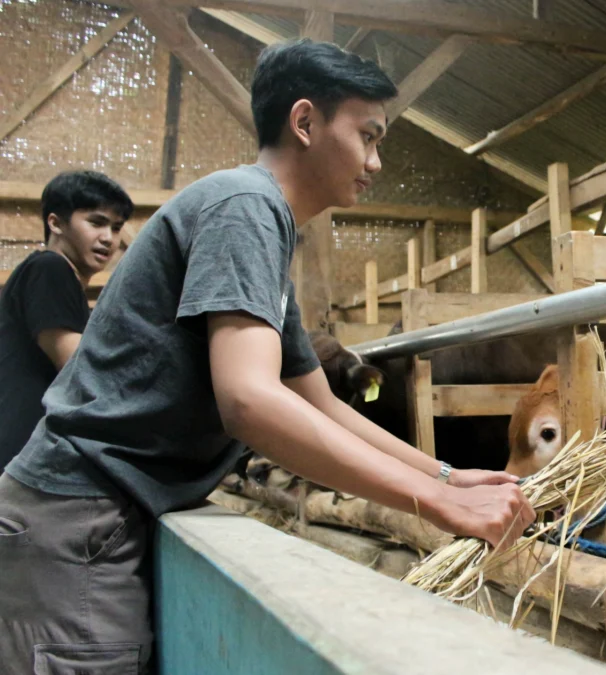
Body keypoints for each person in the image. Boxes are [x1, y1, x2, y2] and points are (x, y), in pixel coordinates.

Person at [0, 39, 534, 674]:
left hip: (97, 514)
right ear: (305, 122)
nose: (376, 160)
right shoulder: (245, 208)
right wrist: (434, 505)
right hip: (79, 517)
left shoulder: (262, 228)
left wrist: (445, 476)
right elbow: (250, 400)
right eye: (367, 136)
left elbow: (317, 399)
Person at [0, 170, 131, 468]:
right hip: (17, 456)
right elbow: (77, 367)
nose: (108, 238)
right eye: (96, 222)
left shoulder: (60, 280)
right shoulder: (50, 268)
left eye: (116, 227)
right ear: (55, 223)